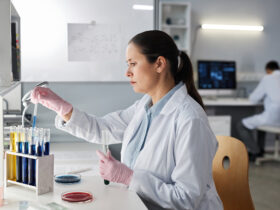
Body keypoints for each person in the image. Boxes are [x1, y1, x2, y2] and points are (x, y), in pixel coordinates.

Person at [31, 30, 223, 210]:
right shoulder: (145, 107)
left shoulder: (190, 119)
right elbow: (102, 128)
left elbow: (186, 199)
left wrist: (130, 177)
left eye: (133, 63)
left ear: (159, 64)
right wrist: (62, 108)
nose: (127, 72)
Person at [237, 61, 280, 161]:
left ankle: (256, 151)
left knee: (240, 125)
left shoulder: (268, 78)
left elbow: (253, 98)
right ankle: (261, 151)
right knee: (261, 124)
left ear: (268, 70)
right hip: (276, 119)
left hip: (272, 117)